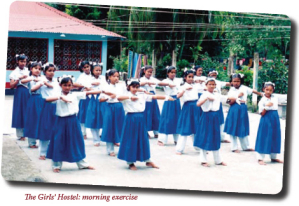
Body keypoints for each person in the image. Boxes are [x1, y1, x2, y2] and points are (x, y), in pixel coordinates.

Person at [46, 75, 111, 173]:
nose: (67, 87)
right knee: (59, 141)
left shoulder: (75, 95)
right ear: (60, 85)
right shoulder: (57, 95)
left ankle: (82, 164)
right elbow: (47, 99)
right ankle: (56, 165)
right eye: (65, 85)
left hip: (73, 121)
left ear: (72, 86)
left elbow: (88, 92)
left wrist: (102, 91)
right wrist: (60, 97)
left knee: (77, 142)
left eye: (69, 85)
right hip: (60, 121)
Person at [117, 79, 174, 170]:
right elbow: (118, 98)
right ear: (128, 87)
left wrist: (166, 97)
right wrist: (129, 98)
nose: (135, 89)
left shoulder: (142, 95)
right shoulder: (126, 96)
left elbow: (154, 97)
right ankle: (130, 162)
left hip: (140, 119)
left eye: (137, 87)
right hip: (131, 119)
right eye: (133, 87)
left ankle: (147, 160)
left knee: (143, 139)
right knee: (131, 139)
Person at [224, 73, 262, 153]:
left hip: (242, 108)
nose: (236, 83)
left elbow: (252, 91)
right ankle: (234, 147)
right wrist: (238, 96)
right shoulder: (231, 90)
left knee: (242, 127)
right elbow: (229, 101)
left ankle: (246, 146)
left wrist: (261, 94)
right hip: (234, 108)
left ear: (241, 81)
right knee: (233, 127)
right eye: (234, 81)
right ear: (231, 82)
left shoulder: (244, 88)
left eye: (238, 81)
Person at [194, 78, 227, 167]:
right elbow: (198, 104)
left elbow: (225, 99)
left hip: (215, 117)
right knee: (205, 137)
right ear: (206, 85)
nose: (212, 86)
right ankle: (203, 160)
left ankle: (218, 160)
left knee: (215, 137)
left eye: (213, 84)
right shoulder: (204, 94)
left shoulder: (217, 94)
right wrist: (206, 99)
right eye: (210, 84)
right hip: (206, 116)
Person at [139, 65, 175, 138]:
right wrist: (147, 82)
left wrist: (168, 84)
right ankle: (145, 131)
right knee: (146, 115)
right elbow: (138, 84)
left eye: (151, 72)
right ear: (144, 71)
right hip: (146, 98)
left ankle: (156, 131)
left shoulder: (153, 79)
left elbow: (160, 83)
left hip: (153, 98)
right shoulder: (142, 79)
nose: (149, 73)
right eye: (148, 72)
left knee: (155, 114)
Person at [255, 82, 283, 165]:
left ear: (273, 90)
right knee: (264, 136)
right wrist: (267, 107)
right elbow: (261, 113)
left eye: (270, 90)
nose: (268, 92)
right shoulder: (262, 100)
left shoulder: (275, 97)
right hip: (266, 118)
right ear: (263, 89)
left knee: (275, 136)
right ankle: (260, 158)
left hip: (275, 118)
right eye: (267, 90)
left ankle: (273, 157)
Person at [99, 69, 126, 156]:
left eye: (117, 76)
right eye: (114, 76)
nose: (116, 78)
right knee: (109, 127)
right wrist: (108, 98)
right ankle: (110, 149)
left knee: (120, 126)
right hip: (109, 107)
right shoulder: (105, 86)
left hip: (119, 107)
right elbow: (100, 99)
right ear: (109, 77)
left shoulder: (122, 86)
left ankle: (119, 143)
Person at [175, 68, 201, 155]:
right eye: (189, 77)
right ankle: (179, 149)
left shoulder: (196, 86)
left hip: (196, 107)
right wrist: (184, 90)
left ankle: (198, 147)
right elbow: (178, 96)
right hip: (187, 107)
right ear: (185, 77)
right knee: (185, 127)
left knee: (196, 127)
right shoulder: (182, 86)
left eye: (192, 77)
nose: (191, 78)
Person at [37, 62, 60, 159]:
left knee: (55, 129)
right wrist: (43, 83)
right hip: (47, 106)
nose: (51, 73)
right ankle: (42, 152)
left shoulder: (56, 82)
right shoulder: (41, 80)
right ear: (44, 71)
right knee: (45, 128)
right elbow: (33, 89)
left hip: (56, 106)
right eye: (49, 71)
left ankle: (52, 151)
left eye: (53, 71)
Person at [22, 61, 45, 148]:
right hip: (34, 100)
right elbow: (23, 81)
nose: (38, 70)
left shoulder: (43, 77)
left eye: (39, 69)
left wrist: (41, 80)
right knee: (33, 120)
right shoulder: (29, 78)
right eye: (36, 68)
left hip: (43, 100)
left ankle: (43, 141)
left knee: (43, 120)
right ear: (31, 69)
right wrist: (33, 79)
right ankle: (32, 142)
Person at [157, 66, 181, 146]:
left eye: (174, 72)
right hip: (168, 100)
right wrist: (168, 84)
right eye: (171, 72)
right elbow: (158, 83)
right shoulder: (165, 81)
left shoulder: (177, 80)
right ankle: (162, 139)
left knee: (177, 119)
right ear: (168, 73)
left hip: (176, 100)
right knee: (166, 119)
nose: (173, 74)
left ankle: (177, 139)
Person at [85, 62, 106, 146]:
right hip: (93, 100)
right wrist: (91, 86)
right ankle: (96, 139)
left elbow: (105, 87)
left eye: (99, 70)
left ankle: (105, 137)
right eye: (96, 70)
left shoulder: (104, 78)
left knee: (103, 118)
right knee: (93, 119)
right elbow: (86, 88)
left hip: (102, 99)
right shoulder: (89, 79)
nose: (98, 72)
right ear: (92, 71)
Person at [9, 54, 30, 141]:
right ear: (17, 61)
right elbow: (11, 86)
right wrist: (19, 78)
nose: (23, 63)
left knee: (28, 112)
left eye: (24, 61)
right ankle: (21, 134)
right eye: (21, 61)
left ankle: (28, 133)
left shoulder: (29, 71)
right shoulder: (14, 73)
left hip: (28, 92)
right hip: (20, 92)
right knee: (19, 112)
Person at [208, 69, 231, 143]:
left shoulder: (218, 82)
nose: (213, 76)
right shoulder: (205, 82)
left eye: (215, 74)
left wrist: (234, 82)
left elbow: (228, 84)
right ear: (209, 74)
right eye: (212, 74)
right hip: (209, 103)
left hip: (218, 102)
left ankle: (221, 137)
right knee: (209, 121)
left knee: (220, 120)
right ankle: (210, 137)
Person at [74, 61, 93, 140]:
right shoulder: (81, 76)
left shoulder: (94, 75)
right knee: (82, 115)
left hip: (93, 97)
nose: (86, 68)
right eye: (84, 67)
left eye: (87, 66)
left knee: (94, 114)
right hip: (84, 97)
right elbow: (76, 85)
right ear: (82, 68)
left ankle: (96, 133)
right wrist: (84, 86)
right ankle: (83, 133)